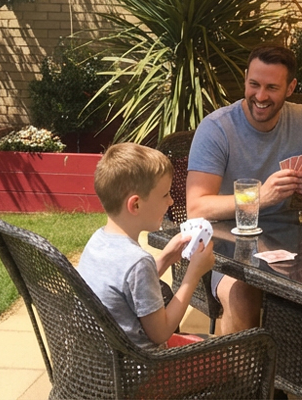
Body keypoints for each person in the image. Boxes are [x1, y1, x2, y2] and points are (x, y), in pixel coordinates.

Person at [186, 44, 302, 332]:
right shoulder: (217, 128)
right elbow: (196, 207)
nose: (260, 96)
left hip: (289, 243)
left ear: (290, 87)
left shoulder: (301, 118)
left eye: (272, 87)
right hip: (226, 249)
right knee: (244, 291)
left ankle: (301, 372)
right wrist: (260, 198)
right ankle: (243, 376)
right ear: (245, 78)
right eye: (253, 84)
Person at [78, 143, 216, 349]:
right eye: (164, 195)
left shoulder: (98, 242)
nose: (170, 202)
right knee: (229, 356)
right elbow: (161, 333)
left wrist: (166, 258)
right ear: (135, 204)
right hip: (142, 372)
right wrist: (194, 274)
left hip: (108, 363)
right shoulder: (138, 262)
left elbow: (127, 289)